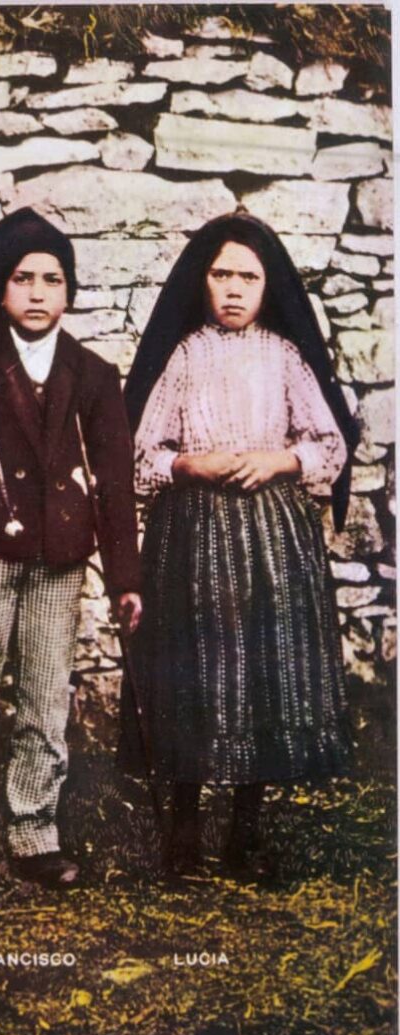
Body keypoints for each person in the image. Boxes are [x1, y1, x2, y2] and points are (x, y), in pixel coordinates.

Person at [122, 212, 358, 879]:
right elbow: (145, 450)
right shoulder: (187, 354)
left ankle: (246, 836)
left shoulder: (284, 357)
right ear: (202, 281)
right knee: (198, 670)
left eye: (247, 277)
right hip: (193, 533)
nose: (232, 289)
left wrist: (281, 461)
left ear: (268, 286)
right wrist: (188, 466)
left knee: (264, 672)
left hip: (272, 534)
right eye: (221, 273)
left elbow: (329, 441)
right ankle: (186, 837)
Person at [0, 208, 142, 897]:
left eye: (53, 279)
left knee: (47, 695)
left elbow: (115, 480)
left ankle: (34, 831)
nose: (39, 292)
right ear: (1, 291)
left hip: (62, 558)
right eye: (24, 279)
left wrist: (125, 577)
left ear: (70, 292)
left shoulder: (95, 374)